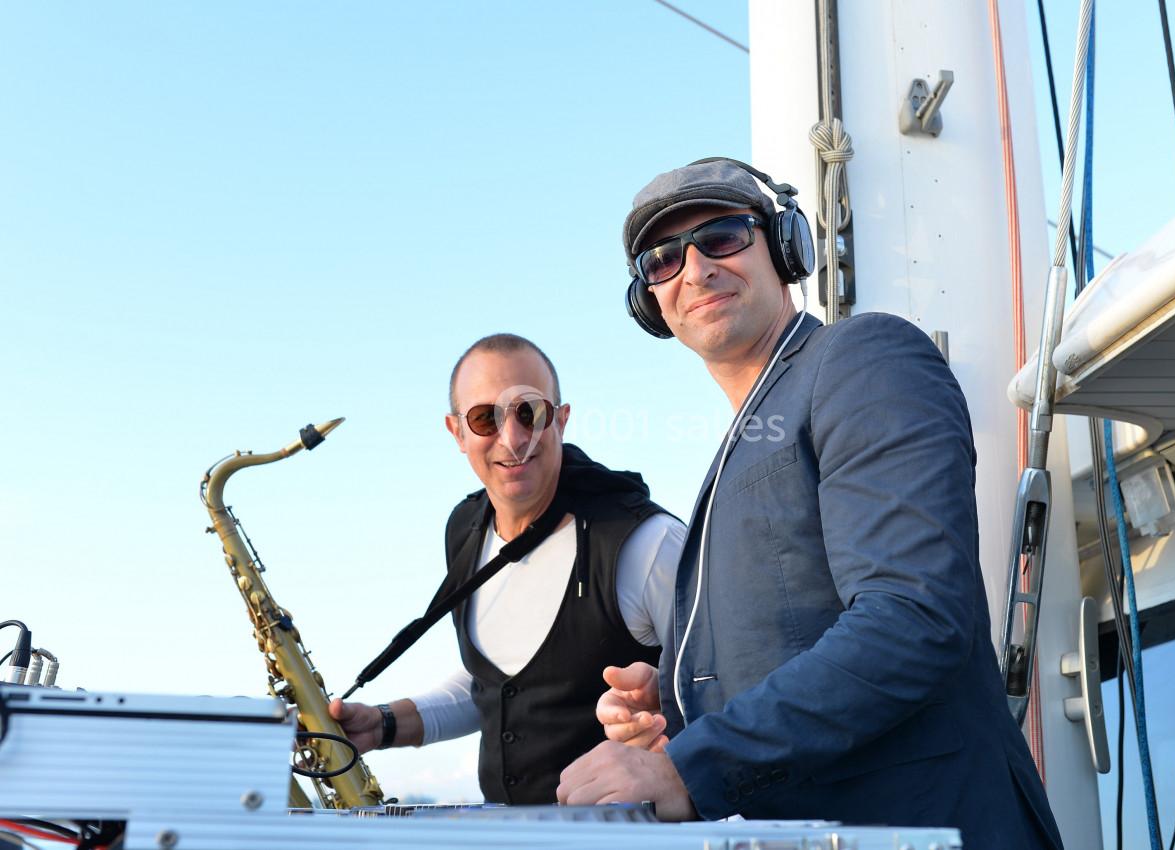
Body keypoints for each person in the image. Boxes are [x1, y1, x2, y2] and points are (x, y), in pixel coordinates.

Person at [556, 160, 1064, 849]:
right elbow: (798, 631)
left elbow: (911, 617)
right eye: (663, 259)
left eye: (722, 237)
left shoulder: (864, 357)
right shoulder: (747, 434)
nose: (694, 270)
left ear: (785, 248)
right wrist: (678, 697)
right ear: (650, 300)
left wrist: (688, 768)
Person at [330, 333, 685, 804]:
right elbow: (497, 686)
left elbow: (729, 689)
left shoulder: (648, 543)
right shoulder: (464, 528)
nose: (513, 439)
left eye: (530, 413)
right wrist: (384, 724)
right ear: (456, 433)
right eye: (484, 418)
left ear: (561, 420)